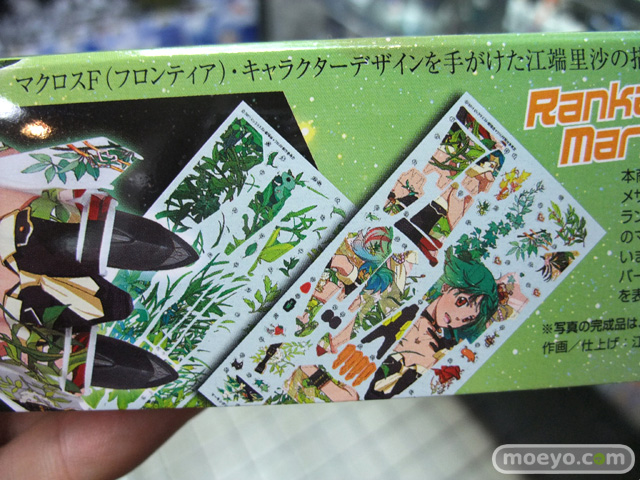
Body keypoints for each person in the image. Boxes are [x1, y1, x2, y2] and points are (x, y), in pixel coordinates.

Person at [364, 249, 498, 400]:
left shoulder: (439, 349)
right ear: (446, 287)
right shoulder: (405, 309)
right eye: (461, 301)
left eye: (467, 319)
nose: (457, 317)